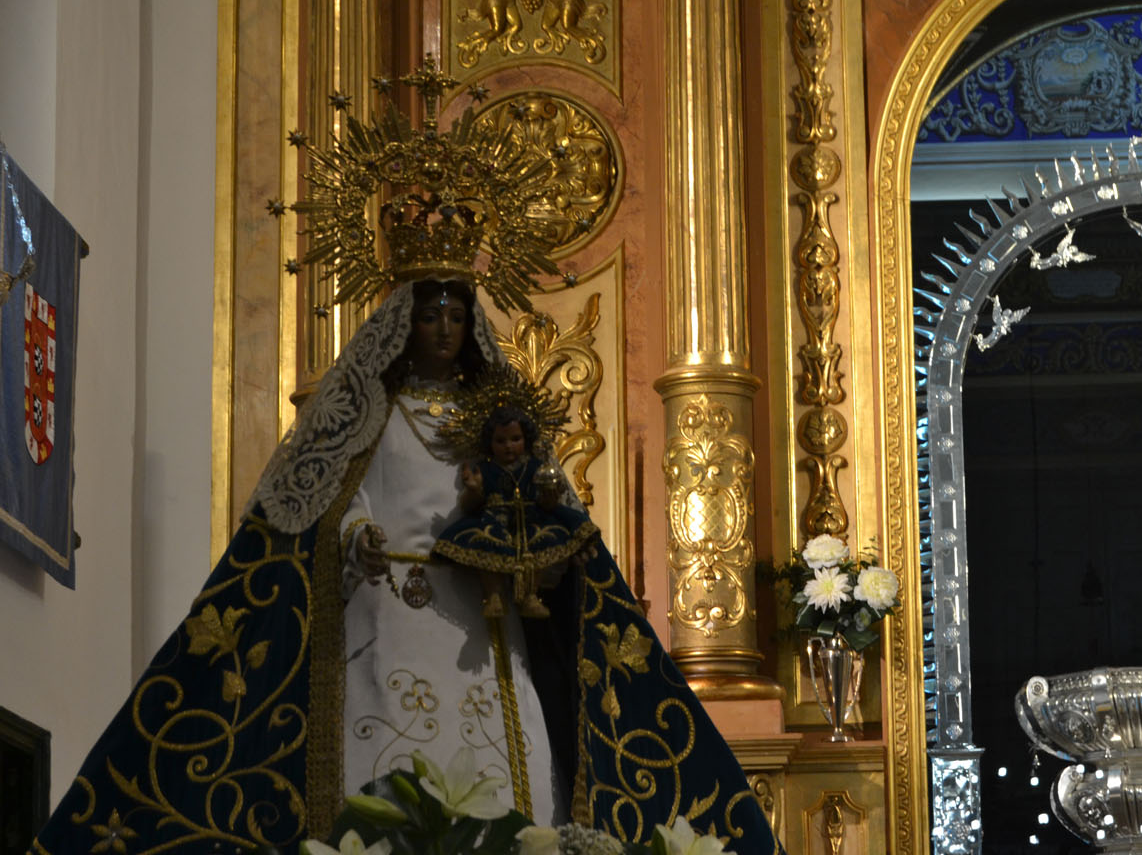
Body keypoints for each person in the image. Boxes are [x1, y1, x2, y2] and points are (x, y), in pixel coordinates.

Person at [29, 278, 779, 854]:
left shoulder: (496, 421)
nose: (444, 329)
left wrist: (537, 544)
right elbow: (337, 497)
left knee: (507, 761)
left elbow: (534, 502)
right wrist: (356, 535)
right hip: (392, 603)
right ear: (401, 325)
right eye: (429, 316)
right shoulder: (371, 411)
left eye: (456, 315)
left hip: (482, 614)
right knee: (388, 757)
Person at [434, 405, 599, 620]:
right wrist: (474, 490)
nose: (508, 446)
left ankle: (531, 595)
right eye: (500, 441)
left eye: (515, 439)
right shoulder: (485, 468)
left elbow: (546, 502)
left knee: (543, 540)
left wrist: (549, 495)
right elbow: (469, 506)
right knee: (485, 541)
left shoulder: (535, 466)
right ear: (489, 443)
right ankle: (493, 595)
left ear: (526, 439)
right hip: (494, 519)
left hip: (532, 518)